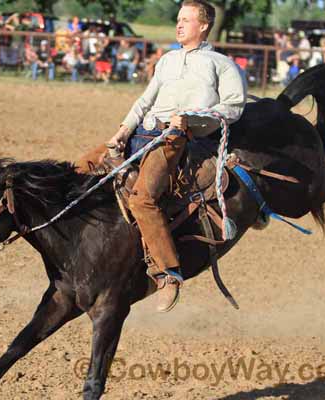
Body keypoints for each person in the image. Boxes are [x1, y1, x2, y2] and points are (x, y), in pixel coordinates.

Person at [74, 0, 246, 312]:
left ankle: (168, 273)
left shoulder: (221, 64)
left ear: (204, 25)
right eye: (178, 19)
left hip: (173, 138)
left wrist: (192, 119)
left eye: (186, 20)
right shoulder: (167, 61)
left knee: (143, 198)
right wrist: (122, 131)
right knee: (80, 168)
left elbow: (234, 106)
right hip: (142, 130)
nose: (178, 25)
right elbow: (144, 100)